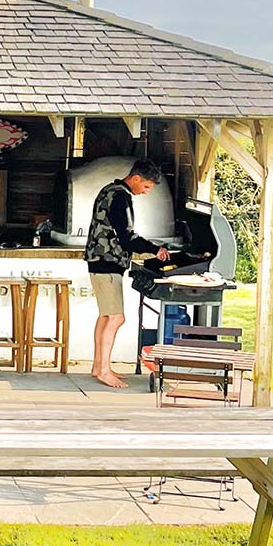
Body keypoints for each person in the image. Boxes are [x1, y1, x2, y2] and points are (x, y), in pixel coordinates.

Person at [85, 159, 170, 388]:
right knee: (116, 317)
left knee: (106, 316)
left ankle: (99, 367)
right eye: (146, 186)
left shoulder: (109, 190)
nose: (146, 192)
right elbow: (127, 237)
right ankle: (103, 371)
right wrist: (155, 250)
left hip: (99, 260)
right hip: (107, 262)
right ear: (136, 178)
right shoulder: (121, 196)